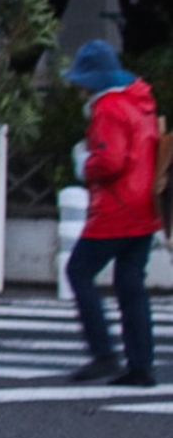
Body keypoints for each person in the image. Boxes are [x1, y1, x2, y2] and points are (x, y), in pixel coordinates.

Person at [62, 40, 159, 387]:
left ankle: (103, 354)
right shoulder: (140, 103)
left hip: (115, 209)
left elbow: (110, 160)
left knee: (78, 271)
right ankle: (141, 364)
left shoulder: (108, 108)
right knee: (131, 285)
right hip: (145, 207)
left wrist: (85, 163)